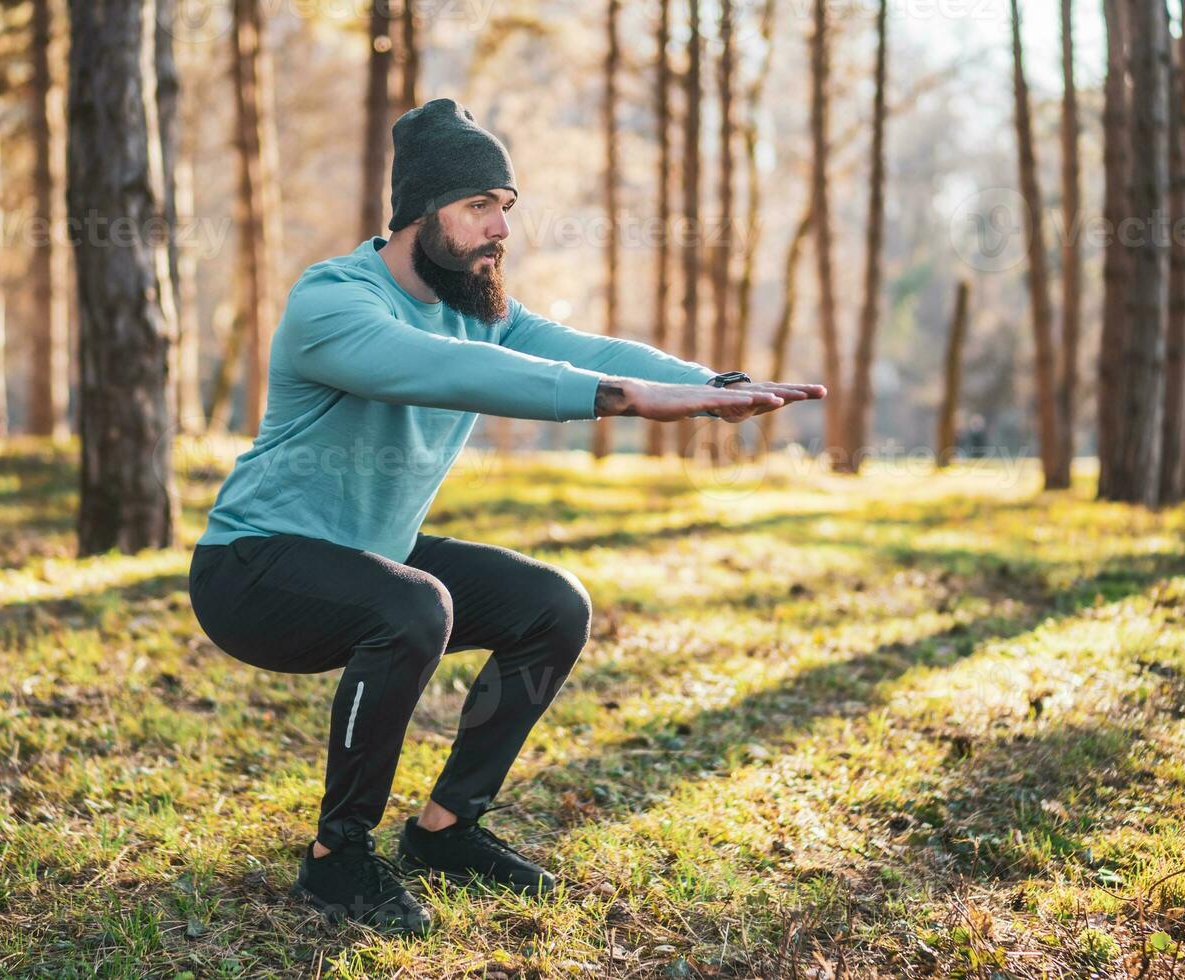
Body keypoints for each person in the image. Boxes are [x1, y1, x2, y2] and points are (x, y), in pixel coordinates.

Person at [187, 97, 826, 937]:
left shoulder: (477, 310)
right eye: (479, 206)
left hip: (372, 559)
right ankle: (337, 861)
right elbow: (447, 372)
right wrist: (623, 402)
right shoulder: (333, 301)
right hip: (254, 570)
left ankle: (446, 832)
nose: (500, 228)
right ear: (422, 213)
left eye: (507, 207)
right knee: (415, 603)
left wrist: (710, 388)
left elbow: (584, 349)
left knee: (551, 605)